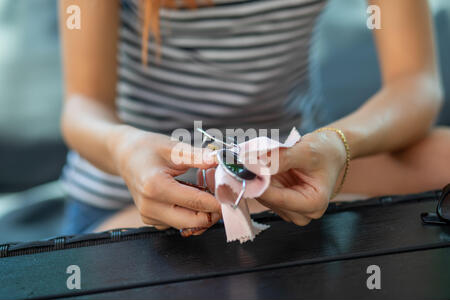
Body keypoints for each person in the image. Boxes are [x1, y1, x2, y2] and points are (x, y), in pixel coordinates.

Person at [59, 0, 450, 235]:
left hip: (294, 171)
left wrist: (336, 144)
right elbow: (83, 106)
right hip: (133, 196)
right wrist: (125, 149)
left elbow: (414, 83)